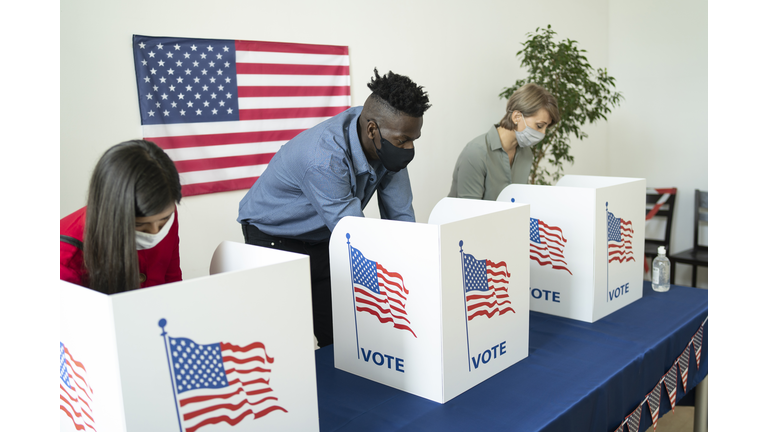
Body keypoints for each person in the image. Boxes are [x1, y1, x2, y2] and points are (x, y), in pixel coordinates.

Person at [238, 68, 431, 347]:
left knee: (339, 334)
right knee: (287, 339)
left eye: (414, 139)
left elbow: (400, 215)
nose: (409, 147)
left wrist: (416, 264)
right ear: (372, 130)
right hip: (273, 237)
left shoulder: (387, 138)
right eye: (403, 140)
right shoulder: (323, 158)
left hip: (325, 235)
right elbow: (355, 232)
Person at [60, 140, 182, 294]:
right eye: (139, 225)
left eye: (164, 220)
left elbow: (173, 284)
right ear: (111, 214)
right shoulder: (65, 259)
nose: (155, 232)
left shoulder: (160, 214)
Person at [448, 83, 560, 200]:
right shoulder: (476, 153)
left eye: (546, 127)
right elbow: (468, 211)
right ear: (517, 117)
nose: (543, 133)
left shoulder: (526, 154)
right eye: (539, 126)